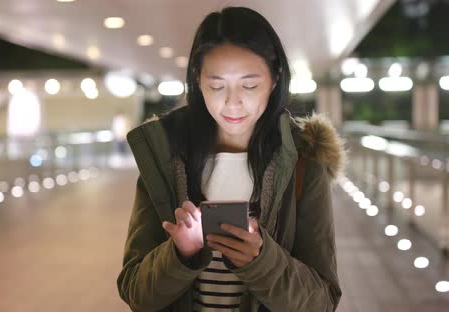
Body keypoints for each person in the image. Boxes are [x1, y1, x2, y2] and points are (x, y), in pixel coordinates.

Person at [117, 6, 344, 312]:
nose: (232, 102)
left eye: (249, 85)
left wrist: (260, 261)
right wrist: (179, 253)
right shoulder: (164, 156)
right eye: (217, 85)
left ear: (276, 78)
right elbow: (137, 294)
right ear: (198, 79)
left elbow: (322, 303)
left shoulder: (303, 161)